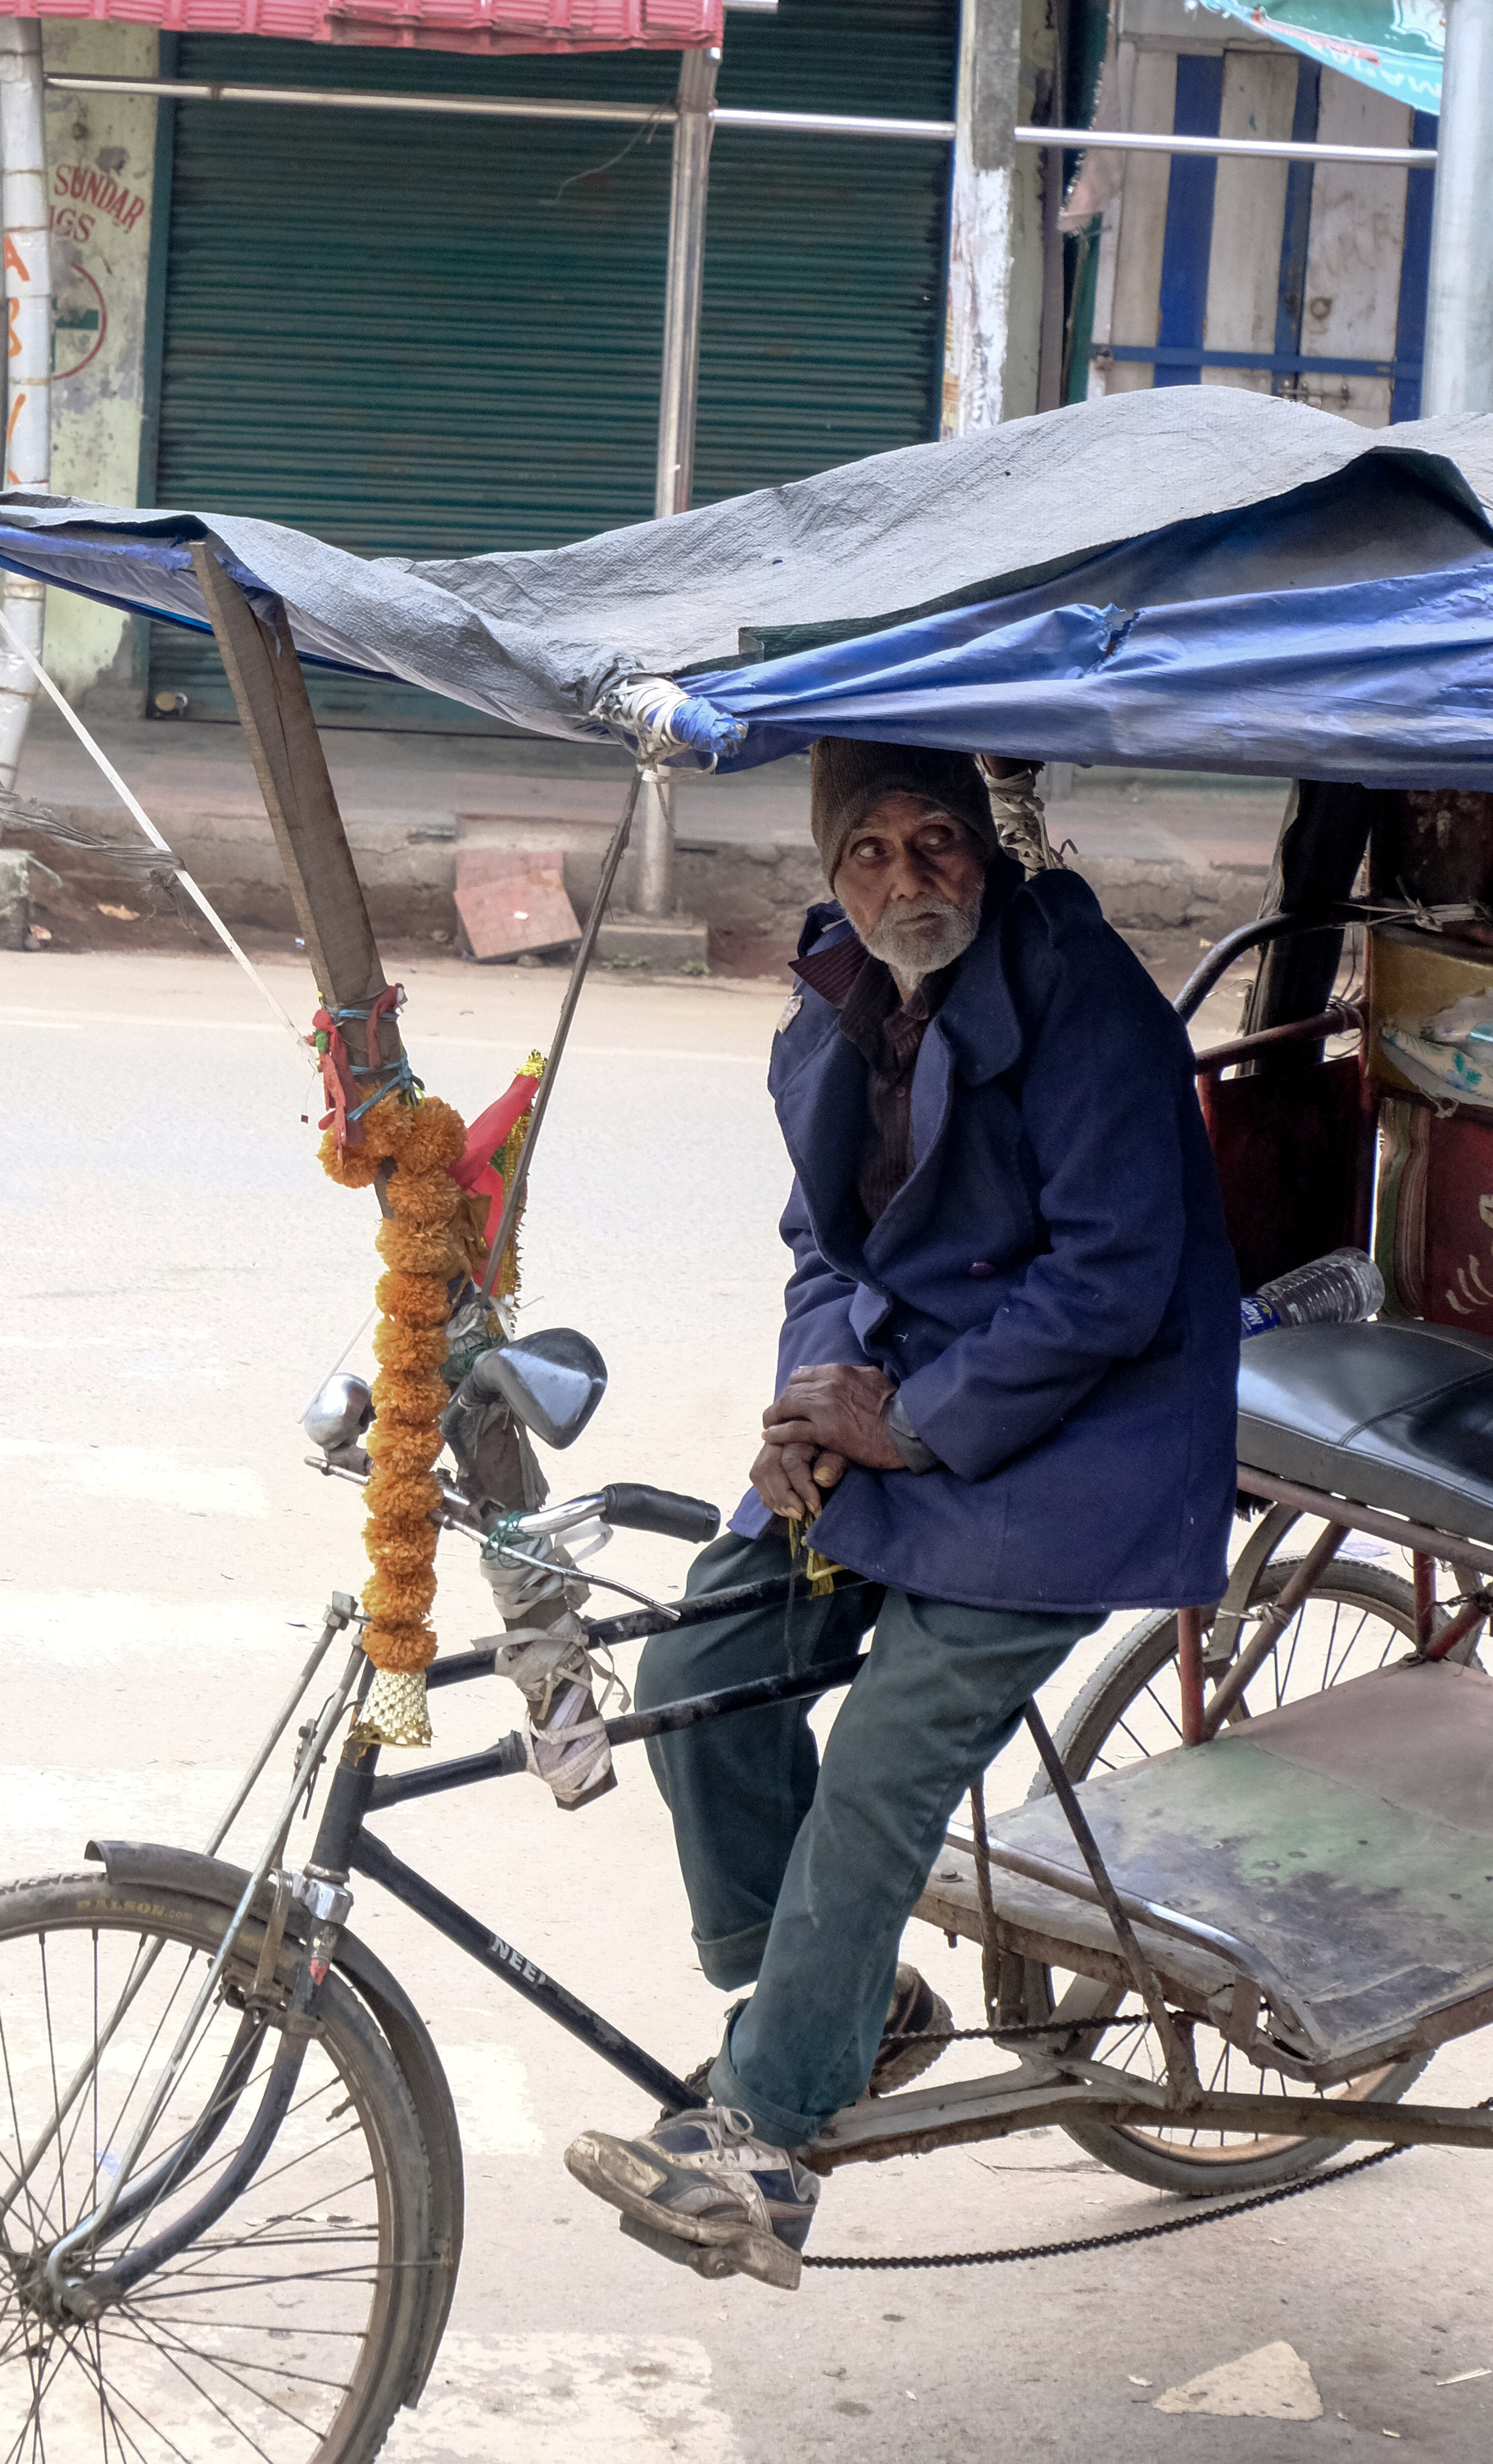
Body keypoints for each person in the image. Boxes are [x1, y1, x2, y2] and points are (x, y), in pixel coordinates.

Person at [565, 738, 1241, 2288]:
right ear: (830, 871)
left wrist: (909, 1424)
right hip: (883, 1412)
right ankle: (838, 2012)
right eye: (867, 852)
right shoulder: (832, 1006)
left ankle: (768, 2135)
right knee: (693, 1678)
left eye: (936, 842)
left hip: (1078, 1437)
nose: (905, 879)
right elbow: (822, 1246)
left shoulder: (1079, 993)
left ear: (984, 854)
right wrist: (813, 1402)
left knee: (878, 1770)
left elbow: (1113, 1281)